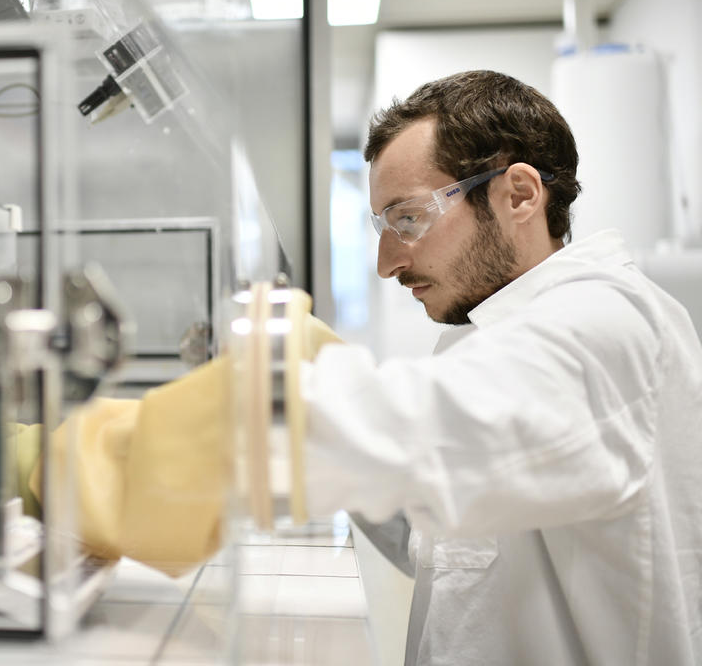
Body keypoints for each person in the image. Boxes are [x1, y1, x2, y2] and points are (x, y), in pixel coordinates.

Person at [300, 70, 702, 665]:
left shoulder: (605, 322)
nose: (387, 263)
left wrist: (274, 397)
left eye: (408, 219)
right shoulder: (490, 335)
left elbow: (433, 431)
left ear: (518, 194)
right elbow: (439, 534)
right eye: (382, 228)